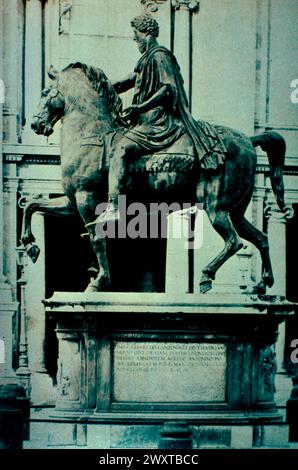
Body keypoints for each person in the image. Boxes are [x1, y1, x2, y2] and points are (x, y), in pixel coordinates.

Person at [93, 13, 226, 224]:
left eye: (136, 34)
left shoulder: (160, 56)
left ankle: (114, 206)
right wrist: (98, 86)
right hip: (146, 120)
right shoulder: (146, 60)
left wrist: (140, 107)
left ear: (146, 33)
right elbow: (126, 82)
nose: (134, 38)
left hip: (159, 122)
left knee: (121, 149)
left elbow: (167, 89)